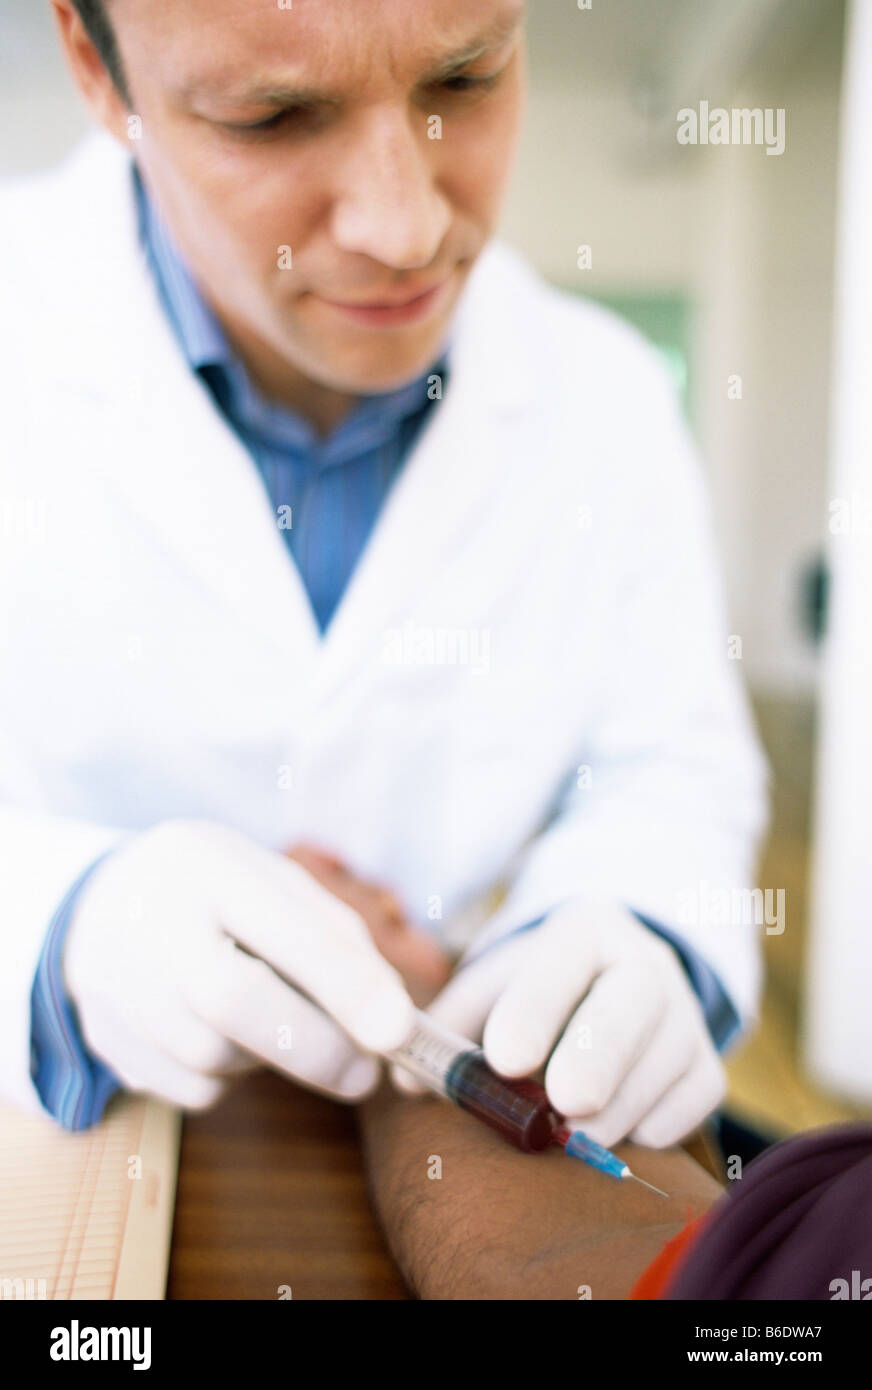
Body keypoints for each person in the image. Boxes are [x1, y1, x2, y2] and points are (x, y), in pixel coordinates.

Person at [0, 0, 767, 1151]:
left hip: (441, 1142)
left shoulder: (603, 395)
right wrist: (58, 924)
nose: (404, 228)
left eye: (465, 76)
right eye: (270, 114)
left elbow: (674, 772)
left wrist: (641, 919)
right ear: (92, 65)